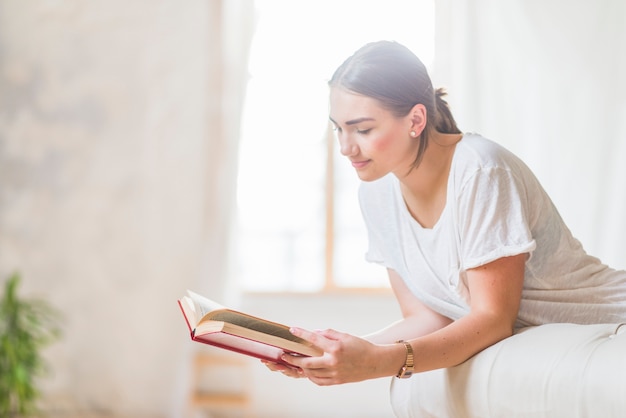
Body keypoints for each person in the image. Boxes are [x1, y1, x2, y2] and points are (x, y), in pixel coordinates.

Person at [262, 40, 626, 386]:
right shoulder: (376, 193)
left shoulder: (481, 171)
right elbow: (428, 318)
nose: (345, 147)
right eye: (338, 128)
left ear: (416, 120)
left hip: (612, 319)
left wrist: (376, 362)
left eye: (363, 129)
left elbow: (492, 319)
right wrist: (335, 352)